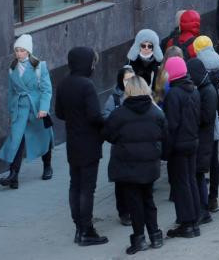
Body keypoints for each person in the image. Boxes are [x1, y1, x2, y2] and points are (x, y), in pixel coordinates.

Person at [103, 76, 167, 254]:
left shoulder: (118, 114)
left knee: (134, 203)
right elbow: (164, 134)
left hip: (127, 165)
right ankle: (155, 236)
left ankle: (139, 240)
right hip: (149, 165)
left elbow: (108, 134)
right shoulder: (156, 113)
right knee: (148, 200)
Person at [55, 46, 107, 246]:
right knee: (87, 188)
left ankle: (79, 227)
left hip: (73, 141)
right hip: (89, 142)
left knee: (74, 185)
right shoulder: (87, 85)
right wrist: (106, 124)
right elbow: (95, 115)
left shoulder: (64, 84)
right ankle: (87, 230)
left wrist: (74, 118)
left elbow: (59, 113)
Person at [0, 34, 54, 190]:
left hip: (36, 108)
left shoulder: (39, 66)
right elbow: (10, 92)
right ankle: (13, 175)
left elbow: (46, 90)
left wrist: (44, 108)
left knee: (43, 137)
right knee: (16, 140)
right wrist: (11, 110)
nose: (19, 53)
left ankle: (47, 166)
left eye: (22, 50)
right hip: (20, 109)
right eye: (17, 50)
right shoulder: (12, 68)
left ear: (28, 51)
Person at [162, 57, 202, 239]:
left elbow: (171, 125)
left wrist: (165, 150)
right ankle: (194, 221)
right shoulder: (193, 90)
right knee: (191, 180)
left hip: (178, 145)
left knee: (181, 183)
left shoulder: (173, 94)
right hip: (193, 142)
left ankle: (186, 223)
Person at [102, 65, 136, 226]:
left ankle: (135, 208)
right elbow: (106, 119)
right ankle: (124, 212)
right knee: (121, 180)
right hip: (121, 146)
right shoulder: (114, 98)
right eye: (126, 79)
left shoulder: (142, 95)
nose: (129, 82)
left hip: (137, 145)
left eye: (132, 79)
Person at [186, 59, 217, 226]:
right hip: (204, 139)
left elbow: (206, 117)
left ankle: (203, 211)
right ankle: (202, 211)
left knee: (198, 176)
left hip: (204, 140)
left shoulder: (207, 91)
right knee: (198, 176)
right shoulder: (206, 88)